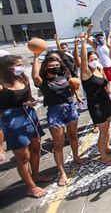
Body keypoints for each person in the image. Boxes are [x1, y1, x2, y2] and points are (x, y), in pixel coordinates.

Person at [32, 54, 86, 186]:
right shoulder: (44, 81)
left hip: (70, 107)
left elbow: (70, 91)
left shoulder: (64, 76)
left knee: (73, 137)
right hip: (55, 111)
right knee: (58, 144)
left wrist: (75, 91)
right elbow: (35, 77)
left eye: (57, 65)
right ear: (45, 68)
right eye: (51, 66)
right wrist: (35, 57)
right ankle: (62, 172)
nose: (55, 67)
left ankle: (76, 157)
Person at [0, 55, 49, 198]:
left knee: (36, 147)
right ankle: (30, 186)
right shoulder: (2, 84)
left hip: (29, 115)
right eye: (16, 65)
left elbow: (28, 97)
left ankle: (36, 175)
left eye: (21, 64)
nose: (20, 67)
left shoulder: (23, 78)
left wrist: (31, 101)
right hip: (11, 120)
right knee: (23, 156)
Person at [79, 33, 111, 166]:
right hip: (95, 105)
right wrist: (84, 42)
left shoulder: (99, 70)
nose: (94, 61)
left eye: (96, 58)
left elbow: (106, 86)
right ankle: (103, 156)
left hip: (105, 102)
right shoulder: (86, 73)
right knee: (102, 131)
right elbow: (83, 60)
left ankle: (107, 147)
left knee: (107, 128)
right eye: (91, 59)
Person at [86, 24, 111, 102]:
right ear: (96, 40)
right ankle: (109, 97)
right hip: (102, 68)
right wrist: (89, 29)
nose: (100, 39)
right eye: (98, 39)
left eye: (101, 38)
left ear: (104, 38)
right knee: (105, 84)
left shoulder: (107, 44)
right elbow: (87, 38)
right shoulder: (96, 46)